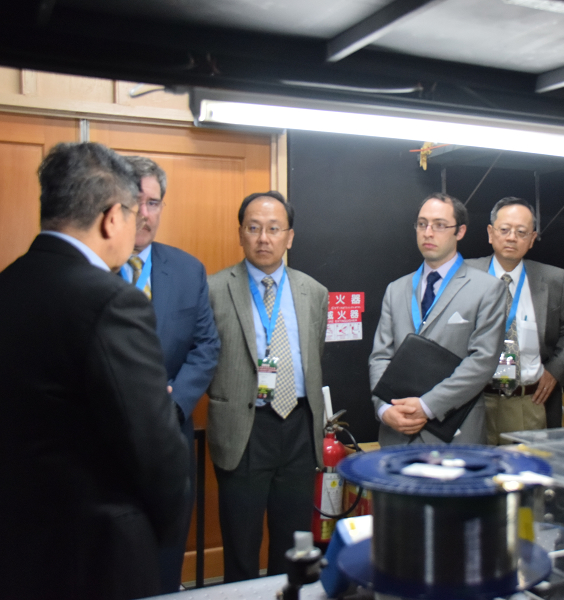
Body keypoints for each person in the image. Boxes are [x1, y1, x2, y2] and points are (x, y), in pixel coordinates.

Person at [0, 142, 189, 600]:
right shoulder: (112, 301)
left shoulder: (9, 284)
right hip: (96, 555)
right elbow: (155, 448)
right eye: (133, 212)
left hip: (17, 545)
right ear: (111, 217)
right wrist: (161, 532)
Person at [206, 191, 328, 581]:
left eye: (274, 229)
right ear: (240, 233)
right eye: (254, 228)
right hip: (243, 429)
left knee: (293, 542)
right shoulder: (213, 289)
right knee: (241, 542)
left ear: (289, 237)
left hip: (299, 428)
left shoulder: (314, 292)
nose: (263, 238)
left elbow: (315, 354)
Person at [121, 156, 220, 593]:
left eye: (154, 203)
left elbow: (206, 347)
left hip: (169, 438)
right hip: (106, 442)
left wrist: (174, 402)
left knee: (165, 559)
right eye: (135, 201)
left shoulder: (186, 270)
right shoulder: (89, 270)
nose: (144, 213)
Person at [369, 192, 506, 446]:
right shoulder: (396, 290)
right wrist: (384, 409)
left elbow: (482, 361)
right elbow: (380, 357)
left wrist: (427, 406)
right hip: (396, 433)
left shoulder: (487, 289)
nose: (428, 233)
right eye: (422, 224)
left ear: (460, 231)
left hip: (454, 435)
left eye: (440, 225)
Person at [466, 197, 564, 440]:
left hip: (528, 403)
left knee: (526, 464)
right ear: (490, 233)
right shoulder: (464, 276)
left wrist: (556, 371)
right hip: (475, 402)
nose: (512, 238)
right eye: (504, 230)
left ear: (532, 239)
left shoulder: (553, 279)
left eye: (521, 232)